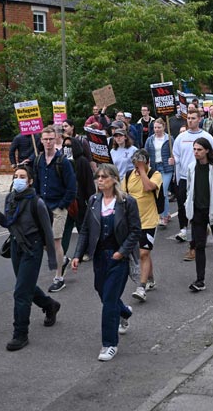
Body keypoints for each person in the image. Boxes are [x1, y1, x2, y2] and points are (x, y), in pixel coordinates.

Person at [71, 164, 141, 362]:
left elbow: (135, 231)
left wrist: (122, 252)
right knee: (101, 291)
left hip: (118, 257)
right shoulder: (94, 201)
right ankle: (125, 312)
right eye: (98, 177)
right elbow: (85, 230)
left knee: (109, 301)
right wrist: (77, 254)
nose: (100, 180)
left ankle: (109, 344)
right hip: (99, 257)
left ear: (114, 179)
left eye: (104, 177)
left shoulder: (127, 202)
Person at [0, 165, 61, 351]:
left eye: (22, 176)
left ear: (30, 181)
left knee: (21, 292)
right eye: (15, 176)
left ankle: (20, 334)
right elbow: (10, 223)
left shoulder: (36, 202)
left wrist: (52, 260)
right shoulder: (10, 198)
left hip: (33, 248)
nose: (18, 179)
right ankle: (49, 304)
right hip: (16, 246)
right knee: (26, 285)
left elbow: (47, 230)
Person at [184, 137, 213, 292]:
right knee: (199, 245)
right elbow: (189, 188)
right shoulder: (191, 167)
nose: (196, 152)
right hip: (197, 211)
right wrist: (188, 203)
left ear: (207, 151)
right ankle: (200, 280)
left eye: (199, 149)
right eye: (194, 149)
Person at [34, 126, 77, 293]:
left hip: (58, 207)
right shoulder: (38, 160)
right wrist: (37, 200)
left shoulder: (63, 161)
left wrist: (62, 205)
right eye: (45, 139)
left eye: (51, 138)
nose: (48, 142)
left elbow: (72, 187)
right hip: (43, 207)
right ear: (41, 140)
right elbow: (36, 183)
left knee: (55, 241)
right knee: (46, 243)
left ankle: (59, 277)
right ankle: (64, 259)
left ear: (56, 138)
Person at [172, 109, 213, 246]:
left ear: (199, 119)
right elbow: (176, 156)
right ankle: (183, 229)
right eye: (188, 118)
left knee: (198, 206)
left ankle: (202, 230)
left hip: (200, 177)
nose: (190, 120)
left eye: (193, 118)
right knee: (182, 204)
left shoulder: (207, 137)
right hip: (183, 177)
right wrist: (173, 162)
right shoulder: (181, 137)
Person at [123, 150, 162, 302]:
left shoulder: (155, 174)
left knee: (143, 253)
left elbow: (148, 187)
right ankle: (150, 278)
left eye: (139, 163)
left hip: (149, 221)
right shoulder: (128, 176)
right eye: (135, 163)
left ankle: (141, 287)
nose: (136, 166)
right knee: (145, 253)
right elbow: (123, 197)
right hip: (133, 222)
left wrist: (142, 170)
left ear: (147, 162)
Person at [60, 135, 95, 264]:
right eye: (64, 146)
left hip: (80, 201)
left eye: (69, 146)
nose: (66, 148)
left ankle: (85, 251)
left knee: (82, 228)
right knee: (65, 229)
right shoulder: (62, 161)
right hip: (67, 202)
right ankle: (61, 254)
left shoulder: (82, 162)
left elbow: (88, 183)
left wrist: (90, 200)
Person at [144, 118, 174, 228]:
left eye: (159, 127)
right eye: (155, 127)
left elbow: (174, 152)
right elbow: (145, 153)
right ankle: (167, 212)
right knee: (157, 192)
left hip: (166, 168)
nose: (157, 130)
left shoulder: (169, 138)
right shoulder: (150, 139)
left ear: (164, 127)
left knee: (164, 191)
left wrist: (173, 159)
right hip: (155, 168)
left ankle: (164, 216)